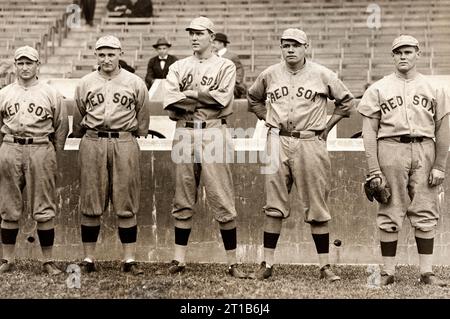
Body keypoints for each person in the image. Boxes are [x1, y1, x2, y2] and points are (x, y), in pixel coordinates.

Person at [247, 28, 355, 281]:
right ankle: (267, 264)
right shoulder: (269, 74)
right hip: (277, 140)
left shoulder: (322, 74)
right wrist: (268, 119)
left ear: (306, 47)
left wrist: (327, 128)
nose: (291, 50)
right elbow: (253, 99)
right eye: (286, 45)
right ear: (281, 48)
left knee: (317, 206)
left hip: (310, 141)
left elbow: (347, 102)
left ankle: (325, 266)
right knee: (273, 205)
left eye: (296, 45)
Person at [357, 35, 450, 287]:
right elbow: (368, 132)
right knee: (389, 207)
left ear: (418, 53)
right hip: (390, 148)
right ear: (392, 56)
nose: (403, 56)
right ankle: (388, 272)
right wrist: (374, 169)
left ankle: (427, 272)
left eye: (408, 51)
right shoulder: (379, 88)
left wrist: (440, 165)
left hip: (424, 148)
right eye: (398, 52)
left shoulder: (434, 88)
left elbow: (443, 129)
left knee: (426, 208)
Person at [163, 16, 247, 278]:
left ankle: (232, 263)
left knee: (221, 195)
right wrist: (200, 100)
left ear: (212, 36)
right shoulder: (178, 66)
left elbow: (222, 101)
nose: (194, 37)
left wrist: (188, 95)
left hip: (213, 131)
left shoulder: (226, 66)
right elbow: (170, 103)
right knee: (183, 195)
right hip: (184, 133)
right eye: (191, 33)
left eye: (199, 33)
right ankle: (179, 260)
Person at [72, 35, 150, 275]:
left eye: (111, 54)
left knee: (126, 201)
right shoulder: (85, 82)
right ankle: (88, 259)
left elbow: (143, 121)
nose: (107, 59)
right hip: (93, 140)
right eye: (102, 54)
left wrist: (128, 133)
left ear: (120, 53)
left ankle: (129, 260)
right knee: (90, 201)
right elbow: (78, 117)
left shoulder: (135, 82)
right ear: (96, 55)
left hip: (124, 140)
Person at [0, 46, 69, 274]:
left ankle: (47, 261)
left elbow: (61, 127)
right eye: (20, 63)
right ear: (15, 65)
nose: (25, 67)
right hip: (10, 146)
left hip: (40, 146)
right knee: (8, 206)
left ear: (37, 65)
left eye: (29, 63)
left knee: (44, 207)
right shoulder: (5, 92)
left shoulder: (50, 93)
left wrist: (53, 154)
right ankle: (7, 260)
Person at [212, 32, 247, 98]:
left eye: (214, 43)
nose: (213, 45)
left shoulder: (232, 56)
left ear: (221, 44)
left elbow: (239, 69)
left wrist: (236, 81)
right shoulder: (213, 56)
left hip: (230, 85)